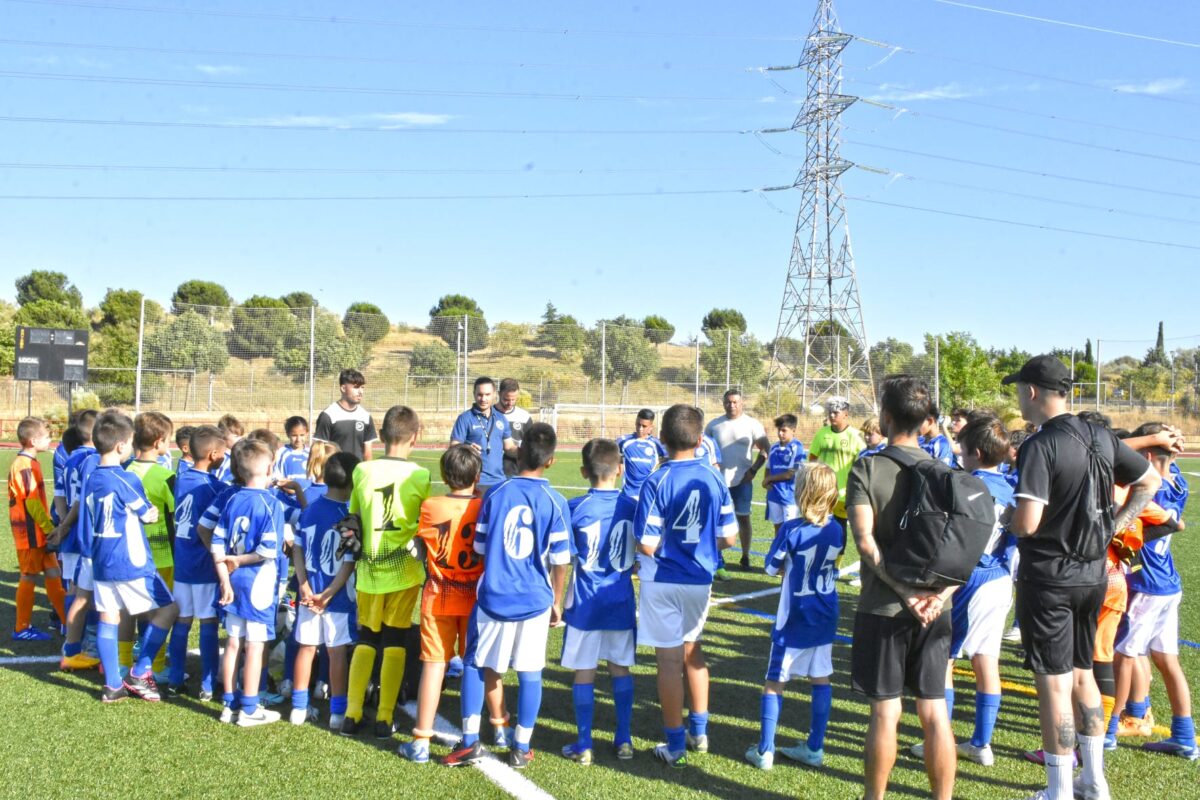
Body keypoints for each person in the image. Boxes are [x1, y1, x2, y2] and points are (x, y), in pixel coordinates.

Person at [1004, 354, 1162, 800]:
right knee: (1082, 675)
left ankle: (1058, 791)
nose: (1017, 395)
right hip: (1092, 573)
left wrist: (1007, 517)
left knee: (1054, 686)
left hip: (1050, 576)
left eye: (1019, 388)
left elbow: (1028, 523)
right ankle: (1093, 782)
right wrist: (1114, 522)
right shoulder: (1100, 434)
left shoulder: (1041, 445)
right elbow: (1149, 481)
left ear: (1032, 391)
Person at [847, 375, 956, 800]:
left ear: (885, 417)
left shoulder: (868, 467)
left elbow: (864, 541)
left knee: (885, 712)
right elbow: (966, 547)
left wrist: (904, 592)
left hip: (883, 608)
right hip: (935, 610)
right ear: (926, 420)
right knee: (934, 712)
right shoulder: (946, 471)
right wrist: (937, 596)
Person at [441, 423, 571, 770]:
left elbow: (481, 547)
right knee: (530, 672)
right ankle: (521, 747)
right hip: (535, 601)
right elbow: (560, 561)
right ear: (552, 460)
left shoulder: (495, 495)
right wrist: (556, 600)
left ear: (518, 452)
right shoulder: (556, 502)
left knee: (475, 664)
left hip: (494, 598)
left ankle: (470, 741)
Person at [636, 404, 737, 767]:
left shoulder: (657, 480)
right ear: (700, 440)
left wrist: (671, 547)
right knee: (693, 651)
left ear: (662, 440)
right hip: (700, 579)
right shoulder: (713, 478)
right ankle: (700, 731)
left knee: (667, 660)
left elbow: (646, 543)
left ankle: (675, 743)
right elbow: (729, 537)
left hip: (662, 578)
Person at [399, 445, 503, 763]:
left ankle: (421, 740)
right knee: (482, 664)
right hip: (475, 598)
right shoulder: (485, 505)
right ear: (476, 475)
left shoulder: (431, 506)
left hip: (440, 595)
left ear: (444, 476)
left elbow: (422, 542)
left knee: (434, 665)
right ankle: (499, 726)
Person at [744, 462, 841, 770]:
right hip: (825, 613)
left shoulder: (792, 529)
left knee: (774, 682)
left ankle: (765, 751)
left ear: (802, 492)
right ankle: (814, 747)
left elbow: (771, 567)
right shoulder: (838, 528)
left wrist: (789, 565)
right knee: (821, 678)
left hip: (794, 617)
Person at [343, 406, 430, 739]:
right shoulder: (420, 476)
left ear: (379, 436)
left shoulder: (362, 471)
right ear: (416, 437)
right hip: (405, 571)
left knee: (367, 638)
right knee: (395, 640)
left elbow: (351, 523)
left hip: (368, 570)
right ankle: (384, 717)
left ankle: (352, 714)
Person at [1113, 422, 1195, 760]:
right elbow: (1163, 461)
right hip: (1167, 582)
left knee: (1123, 655)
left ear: (1145, 455)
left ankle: (1111, 726)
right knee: (1165, 659)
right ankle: (1184, 736)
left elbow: (1112, 456)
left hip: (1147, 583)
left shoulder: (1149, 488)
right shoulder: (1179, 482)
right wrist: (1168, 446)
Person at [86, 410, 178, 703]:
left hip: (101, 560)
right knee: (169, 610)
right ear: (122, 446)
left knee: (109, 616)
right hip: (130, 561)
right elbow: (148, 514)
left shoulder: (92, 478)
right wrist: (150, 513)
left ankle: (113, 685)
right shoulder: (124, 479)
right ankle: (140, 671)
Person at [943, 415, 1016, 767]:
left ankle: (940, 740)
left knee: (945, 659)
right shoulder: (1012, 487)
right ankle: (981, 743)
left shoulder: (966, 484)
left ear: (974, 452)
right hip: (1001, 578)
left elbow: (953, 540)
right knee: (987, 662)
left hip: (972, 578)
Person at [560, 439, 638, 766]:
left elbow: (563, 557)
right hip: (620, 599)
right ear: (620, 469)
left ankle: (584, 743)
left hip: (585, 603)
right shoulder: (633, 506)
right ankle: (624, 738)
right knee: (620, 668)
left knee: (584, 671)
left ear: (583, 471)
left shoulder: (574, 506)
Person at [212, 439, 285, 727]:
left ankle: (228, 705)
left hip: (232, 582)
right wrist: (239, 562)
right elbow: (267, 551)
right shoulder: (271, 503)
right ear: (269, 468)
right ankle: (250, 708)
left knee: (232, 644)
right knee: (254, 647)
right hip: (258, 584)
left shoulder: (232, 498)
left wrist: (224, 579)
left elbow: (217, 543)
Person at [290, 451, 361, 730]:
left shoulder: (310, 510)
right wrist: (328, 594)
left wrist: (305, 585)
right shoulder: (349, 517)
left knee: (306, 649)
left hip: (309, 596)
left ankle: (297, 708)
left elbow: (296, 549)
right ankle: (337, 713)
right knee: (336, 652)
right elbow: (348, 564)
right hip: (337, 599)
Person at [167, 425, 226, 700]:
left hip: (182, 563)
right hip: (203, 564)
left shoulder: (182, 478)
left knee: (182, 621)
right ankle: (207, 684)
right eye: (223, 452)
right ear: (214, 454)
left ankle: (175, 677)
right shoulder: (212, 487)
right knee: (208, 622)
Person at [49, 408, 102, 671]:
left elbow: (59, 494)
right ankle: (86, 645)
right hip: (84, 534)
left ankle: (70, 642)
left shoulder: (69, 459)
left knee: (73, 588)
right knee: (86, 592)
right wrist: (70, 523)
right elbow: (81, 501)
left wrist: (62, 524)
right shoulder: (92, 461)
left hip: (70, 534)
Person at [125, 411, 177, 676]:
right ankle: (155, 667)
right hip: (161, 555)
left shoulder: (124, 471)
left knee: (131, 611)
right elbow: (176, 514)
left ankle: (124, 663)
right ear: (159, 442)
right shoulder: (165, 476)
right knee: (160, 611)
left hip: (129, 554)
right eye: (168, 440)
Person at [8, 417, 66, 642]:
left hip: (39, 532)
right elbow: (31, 503)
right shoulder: (24, 466)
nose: (50, 440)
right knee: (28, 576)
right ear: (33, 440)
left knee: (54, 574)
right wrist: (49, 526)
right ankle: (21, 627)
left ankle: (66, 622)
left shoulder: (31, 463)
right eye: (47, 437)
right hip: (31, 533)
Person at [704, 389, 769, 570]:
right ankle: (718, 557)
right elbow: (703, 449)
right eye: (728, 402)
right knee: (716, 519)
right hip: (718, 482)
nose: (731, 405)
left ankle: (745, 556)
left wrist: (754, 470)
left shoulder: (752, 424)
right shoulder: (714, 425)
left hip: (742, 481)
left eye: (735, 402)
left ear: (742, 403)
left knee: (743, 518)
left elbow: (766, 449)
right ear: (723, 403)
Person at [809, 396, 867, 549]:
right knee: (818, 526)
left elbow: (862, 464)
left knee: (840, 529)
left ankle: (836, 565)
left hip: (844, 493)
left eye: (836, 412)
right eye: (830, 412)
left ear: (846, 414)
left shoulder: (857, 436)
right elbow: (812, 458)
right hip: (823, 491)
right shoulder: (822, 433)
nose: (832, 415)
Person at [450, 376, 517, 494]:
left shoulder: (501, 418)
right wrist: (467, 449)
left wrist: (526, 451)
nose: (483, 399)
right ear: (474, 394)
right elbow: (453, 446)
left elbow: (509, 447)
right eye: (480, 394)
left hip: (499, 481)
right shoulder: (465, 418)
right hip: (473, 481)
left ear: (494, 394)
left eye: (487, 394)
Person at [313, 368, 378, 462]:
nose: (360, 392)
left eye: (362, 387)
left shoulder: (365, 416)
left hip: (357, 474)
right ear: (343, 388)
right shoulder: (328, 415)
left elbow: (367, 452)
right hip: (335, 474)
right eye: (356, 387)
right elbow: (319, 450)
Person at [762, 413, 805, 533]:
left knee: (790, 530)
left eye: (784, 431)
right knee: (778, 529)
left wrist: (768, 479)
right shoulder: (774, 447)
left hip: (790, 496)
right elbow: (768, 467)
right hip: (774, 494)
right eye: (779, 430)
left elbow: (790, 474)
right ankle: (779, 551)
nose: (780, 433)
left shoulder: (797, 447)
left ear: (793, 431)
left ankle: (790, 552)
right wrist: (767, 482)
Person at [616, 409, 667, 501]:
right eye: (638, 424)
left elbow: (671, 458)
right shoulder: (624, 441)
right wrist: (619, 464)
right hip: (627, 494)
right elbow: (610, 453)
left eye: (644, 426)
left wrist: (659, 462)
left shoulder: (656, 444)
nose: (640, 428)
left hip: (648, 495)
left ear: (651, 427)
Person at [496, 378, 533, 478]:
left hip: (515, 473)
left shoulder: (524, 417)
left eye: (513, 399)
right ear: (499, 394)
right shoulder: (488, 414)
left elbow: (530, 446)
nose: (510, 403)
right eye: (506, 399)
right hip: (491, 474)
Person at [277, 415, 311, 481]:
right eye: (294, 435)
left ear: (307, 433)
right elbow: (277, 476)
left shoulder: (310, 453)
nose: (298, 439)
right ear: (287, 434)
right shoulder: (281, 453)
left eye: (302, 435)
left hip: (308, 491)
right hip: (287, 490)